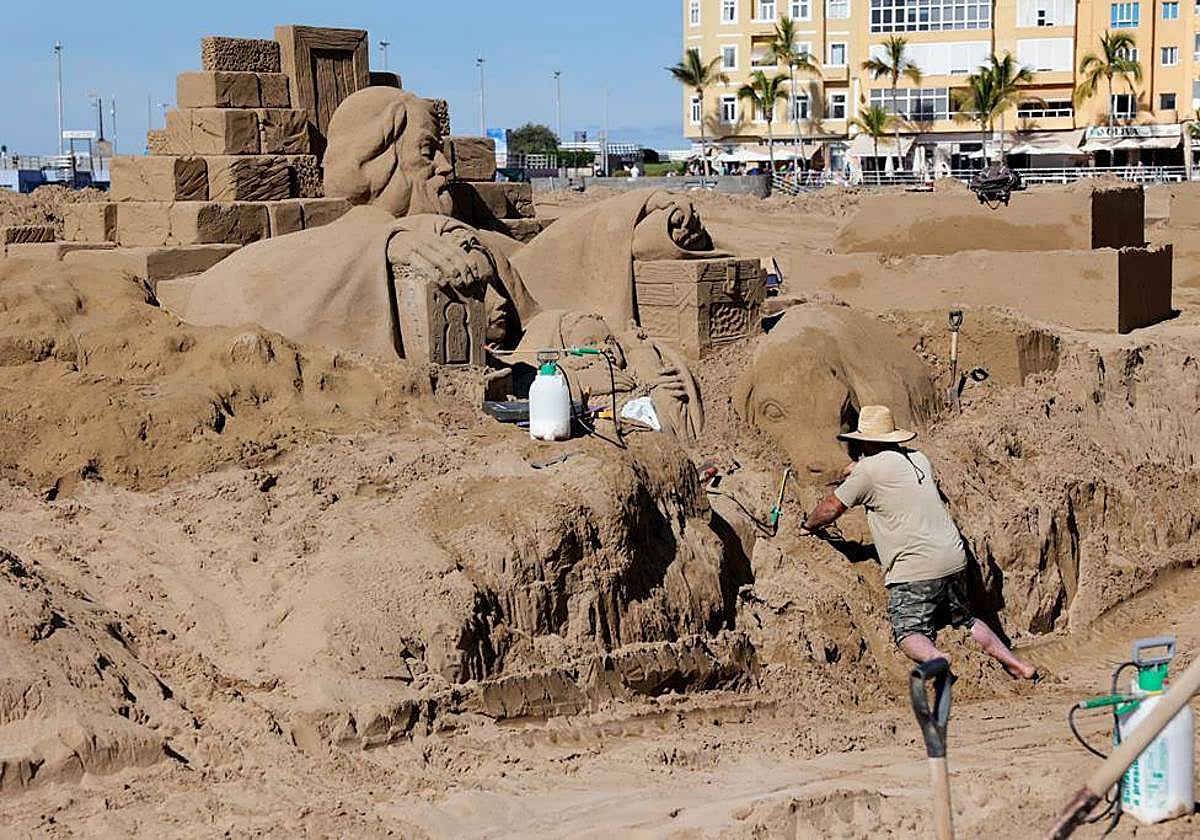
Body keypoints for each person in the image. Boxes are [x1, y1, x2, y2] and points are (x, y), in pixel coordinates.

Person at [800, 405, 1037, 679]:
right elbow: (889, 474)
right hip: (954, 559)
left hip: (916, 569)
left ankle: (936, 657)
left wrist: (808, 525)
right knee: (966, 621)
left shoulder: (867, 472)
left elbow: (831, 507)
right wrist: (861, 468)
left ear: (864, 440)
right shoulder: (920, 459)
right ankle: (1017, 665)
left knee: (908, 631)